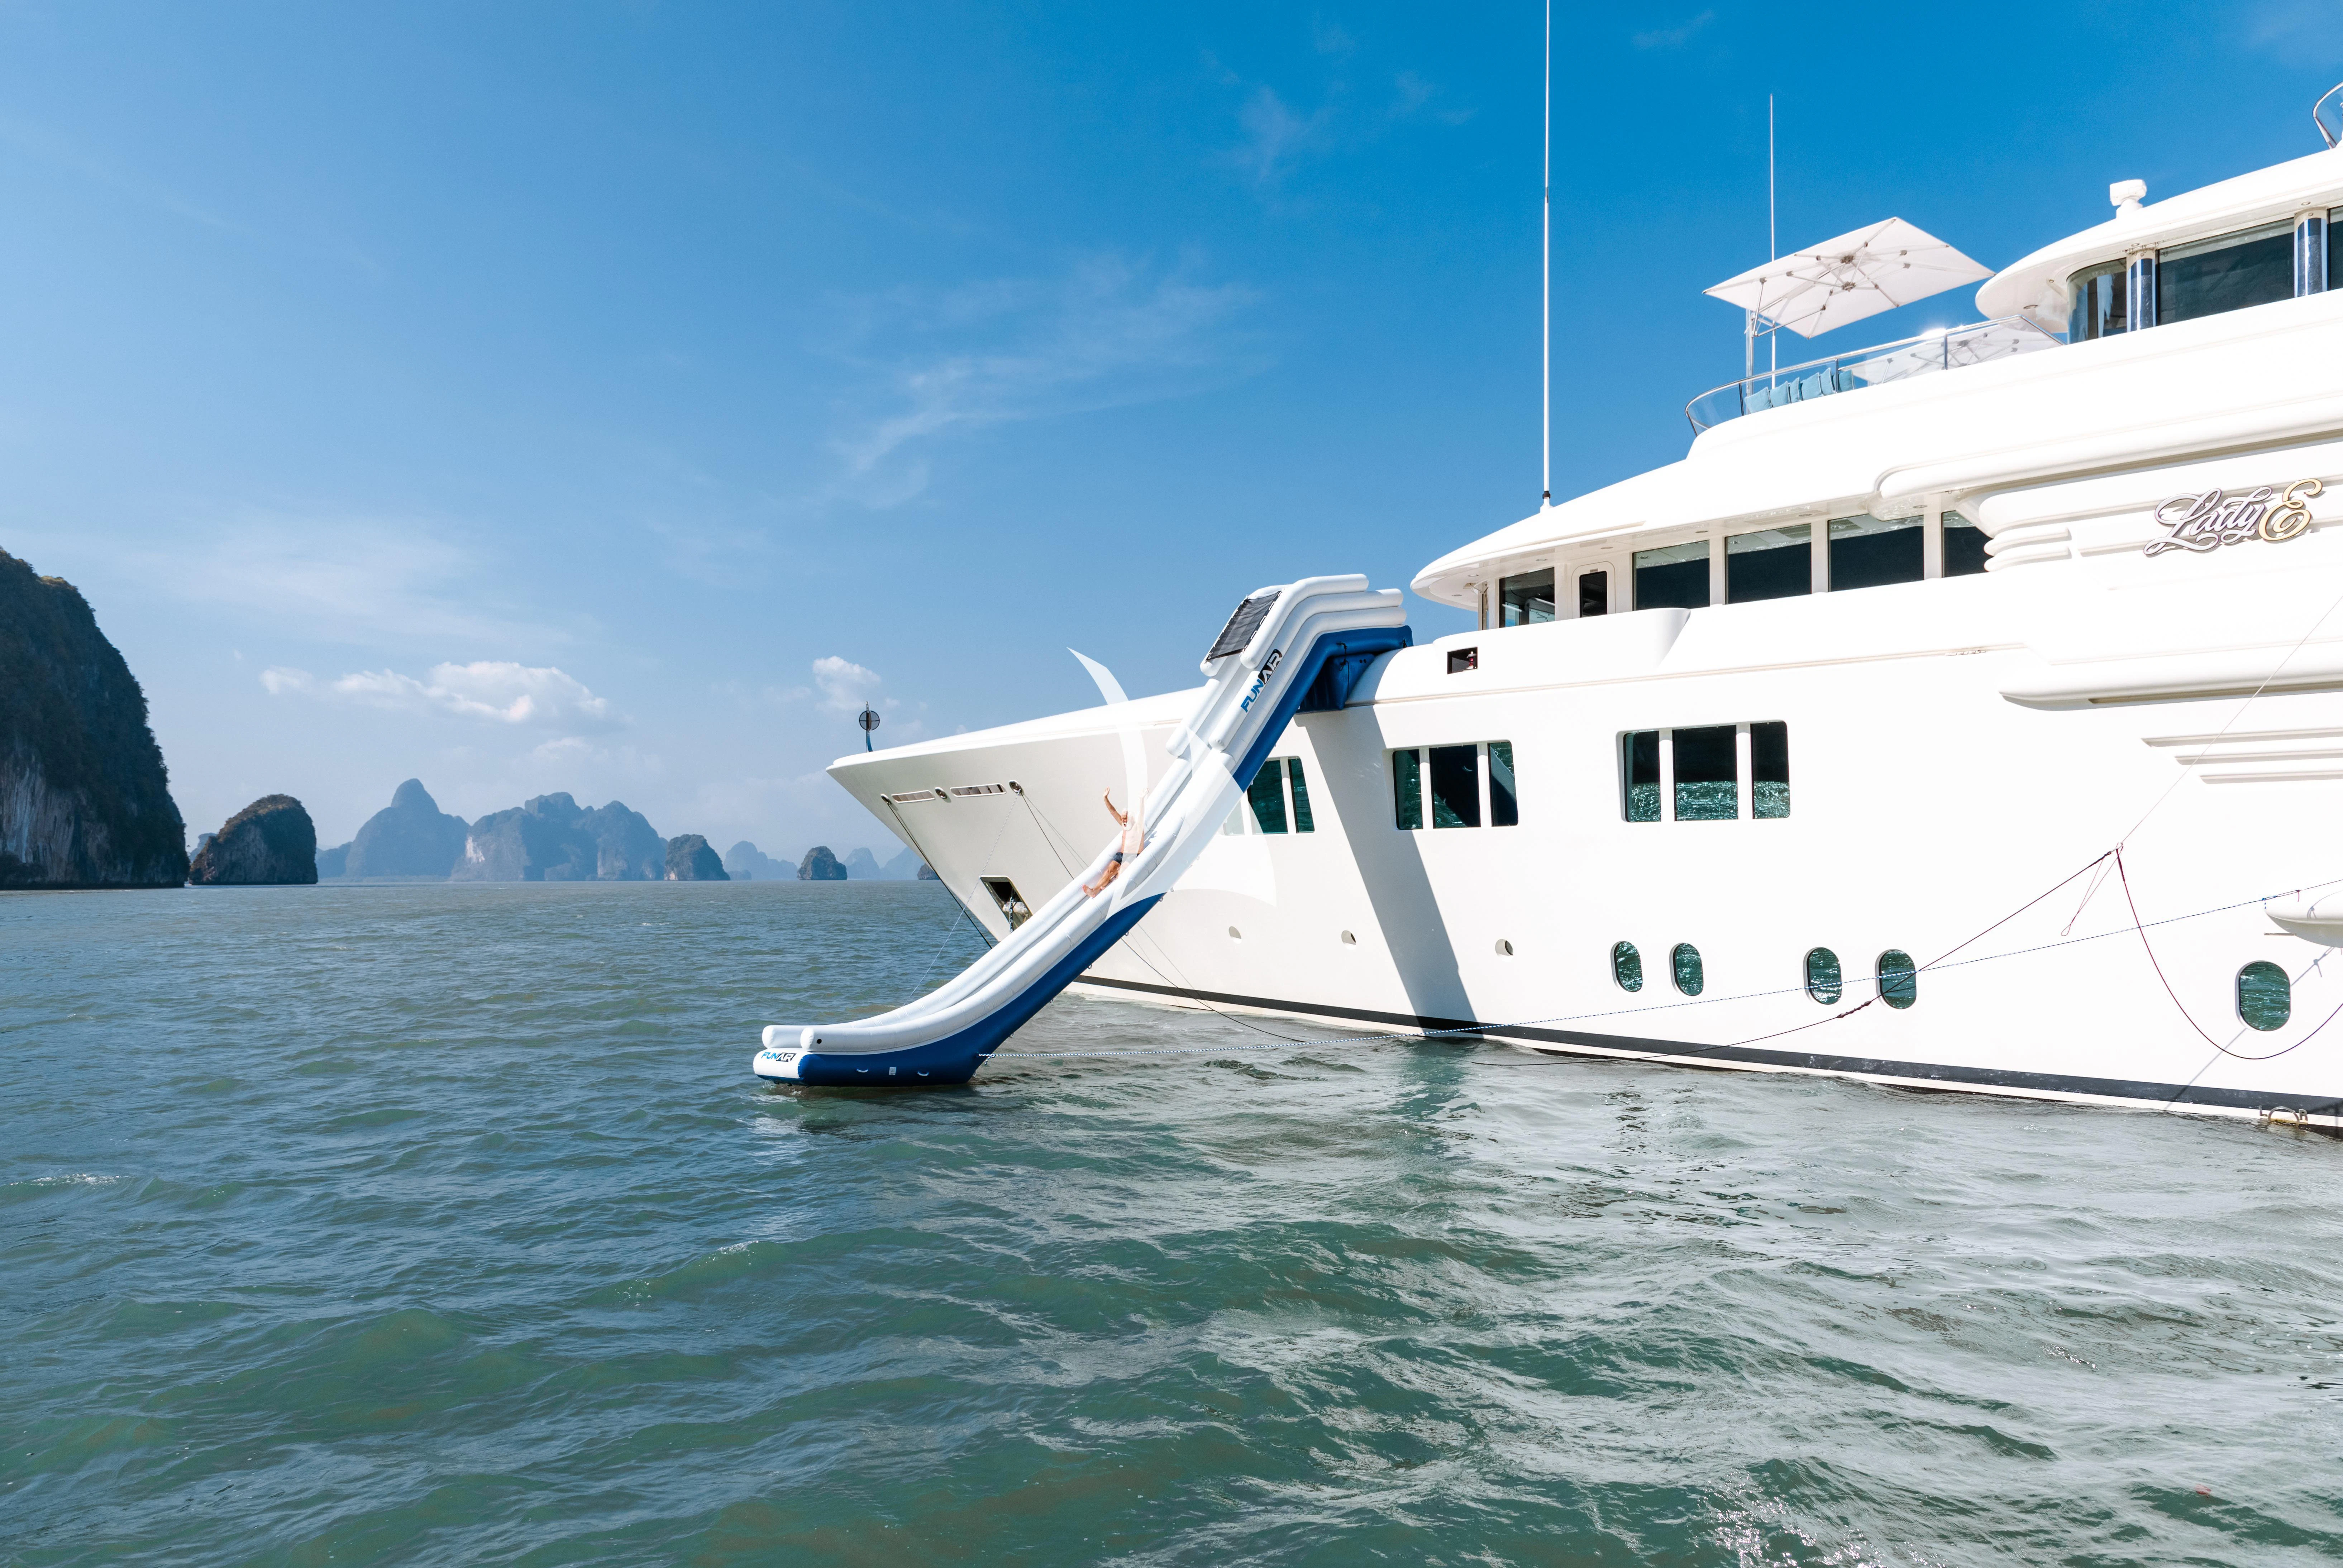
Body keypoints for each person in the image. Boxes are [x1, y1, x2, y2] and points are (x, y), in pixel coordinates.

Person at [1083, 788, 1145, 897]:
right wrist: (1105, 798)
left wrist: (1141, 800)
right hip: (1122, 855)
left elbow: (1141, 816)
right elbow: (1113, 812)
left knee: (1122, 871)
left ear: (1130, 819)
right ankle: (1095, 891)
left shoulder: (1137, 827)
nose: (1123, 821)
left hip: (1133, 856)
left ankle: (1113, 882)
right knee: (1109, 870)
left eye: (1125, 819)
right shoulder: (1124, 826)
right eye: (1123, 819)